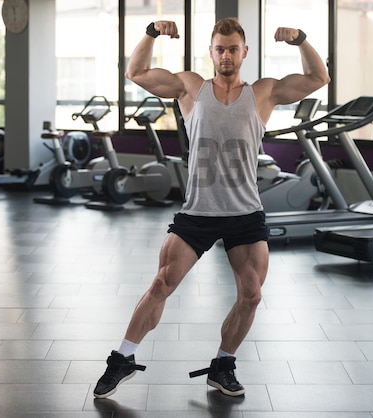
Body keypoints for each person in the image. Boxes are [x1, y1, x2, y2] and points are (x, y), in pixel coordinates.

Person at [93, 17, 330, 399]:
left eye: (233, 49)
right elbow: (135, 72)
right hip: (198, 211)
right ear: (211, 51)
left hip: (245, 213)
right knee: (160, 284)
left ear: (244, 52)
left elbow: (319, 78)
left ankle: (222, 365)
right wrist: (152, 32)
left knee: (251, 295)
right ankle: (122, 357)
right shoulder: (190, 87)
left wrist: (301, 39)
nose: (226, 55)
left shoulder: (264, 92)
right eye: (219, 49)